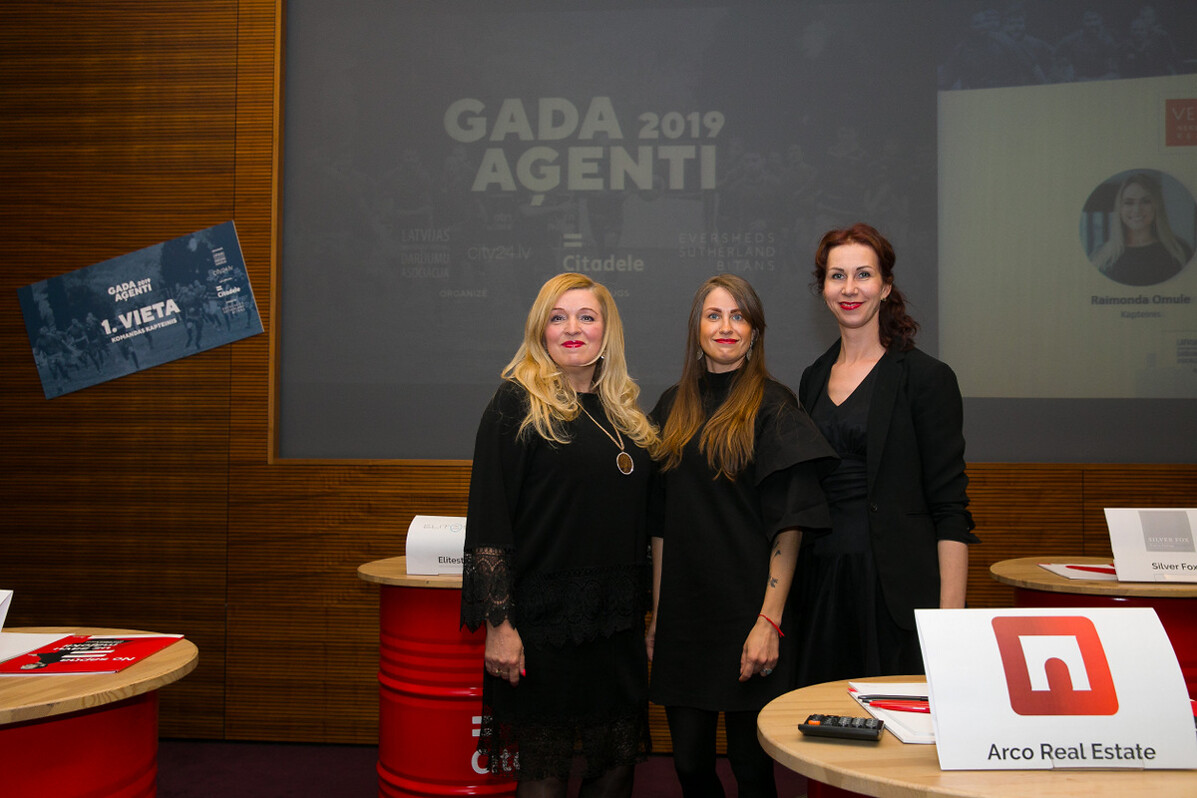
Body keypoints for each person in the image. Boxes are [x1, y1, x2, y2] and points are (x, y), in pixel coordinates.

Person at [460, 273, 660, 798]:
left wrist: (652, 617)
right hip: (542, 631)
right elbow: (489, 523)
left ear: (606, 332)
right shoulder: (516, 404)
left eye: (586, 317)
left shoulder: (629, 417)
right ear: (540, 331)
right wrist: (499, 627)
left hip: (615, 629)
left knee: (615, 772)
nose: (572, 328)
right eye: (558, 317)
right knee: (544, 777)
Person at [648, 274, 836, 798]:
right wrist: (659, 616)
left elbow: (791, 525)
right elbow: (659, 524)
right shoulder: (671, 406)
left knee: (752, 771)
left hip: (750, 617)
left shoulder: (775, 406)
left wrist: (769, 622)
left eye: (738, 316)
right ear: (697, 328)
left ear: (754, 332)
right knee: (689, 766)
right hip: (685, 621)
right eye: (714, 315)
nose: (726, 327)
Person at [793, 223, 979, 688]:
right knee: (822, 720)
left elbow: (950, 508)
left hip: (896, 593)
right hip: (822, 586)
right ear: (823, 289)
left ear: (886, 286)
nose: (849, 288)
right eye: (837, 276)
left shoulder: (926, 378)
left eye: (863, 274)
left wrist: (949, 623)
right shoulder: (812, 378)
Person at [1091, 172, 1193, 287]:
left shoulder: (1180, 251)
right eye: (1129, 202)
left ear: (1156, 206)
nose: (1137, 210)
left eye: (1146, 201)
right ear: (1120, 208)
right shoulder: (1101, 256)